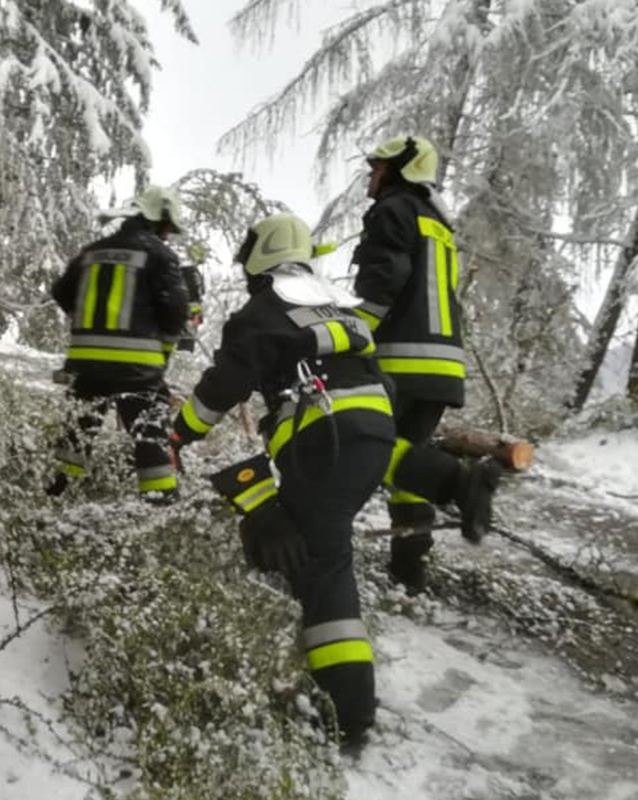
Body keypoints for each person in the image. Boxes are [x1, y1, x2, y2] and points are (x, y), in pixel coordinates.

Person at [170, 212, 395, 747]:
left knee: (324, 565)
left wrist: (181, 433)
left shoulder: (263, 309)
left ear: (260, 256)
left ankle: (348, 716)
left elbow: (224, 384)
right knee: (301, 531)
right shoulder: (335, 301)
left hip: (324, 440)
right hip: (373, 436)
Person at [351, 135, 503, 594]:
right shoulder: (438, 222)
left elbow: (385, 282)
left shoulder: (393, 210)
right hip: (441, 366)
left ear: (399, 170)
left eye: (377, 167)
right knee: (408, 463)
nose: (371, 176)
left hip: (401, 362)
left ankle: (459, 482)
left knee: (366, 446)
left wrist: (348, 334)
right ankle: (408, 572)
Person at [46, 185, 190, 504]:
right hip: (136, 369)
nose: (168, 235)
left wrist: (87, 321)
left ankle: (53, 494)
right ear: (161, 221)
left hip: (85, 366)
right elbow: (175, 314)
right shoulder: (160, 255)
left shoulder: (93, 250)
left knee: (77, 432)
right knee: (149, 436)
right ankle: (160, 504)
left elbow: (61, 291)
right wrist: (160, 353)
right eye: (168, 228)